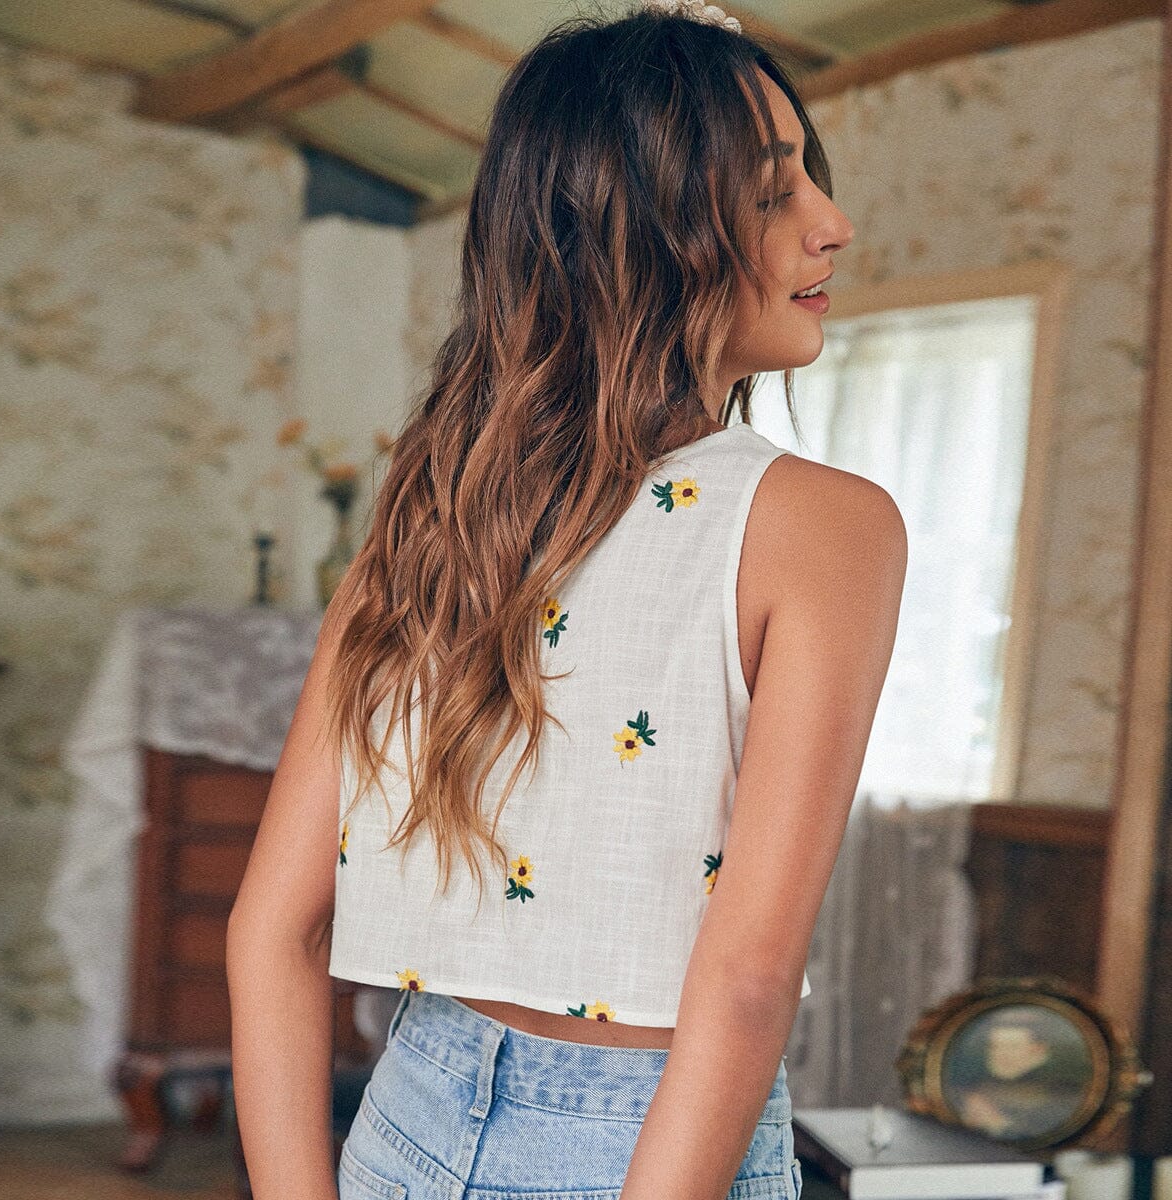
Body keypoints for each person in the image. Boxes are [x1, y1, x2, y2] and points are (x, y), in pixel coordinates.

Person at [226, 3, 906, 1199]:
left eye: (812, 180)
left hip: (408, 1117)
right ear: (639, 236)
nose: (833, 227)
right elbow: (746, 980)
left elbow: (272, 930)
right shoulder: (827, 526)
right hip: (649, 1145)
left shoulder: (428, 514)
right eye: (771, 194)